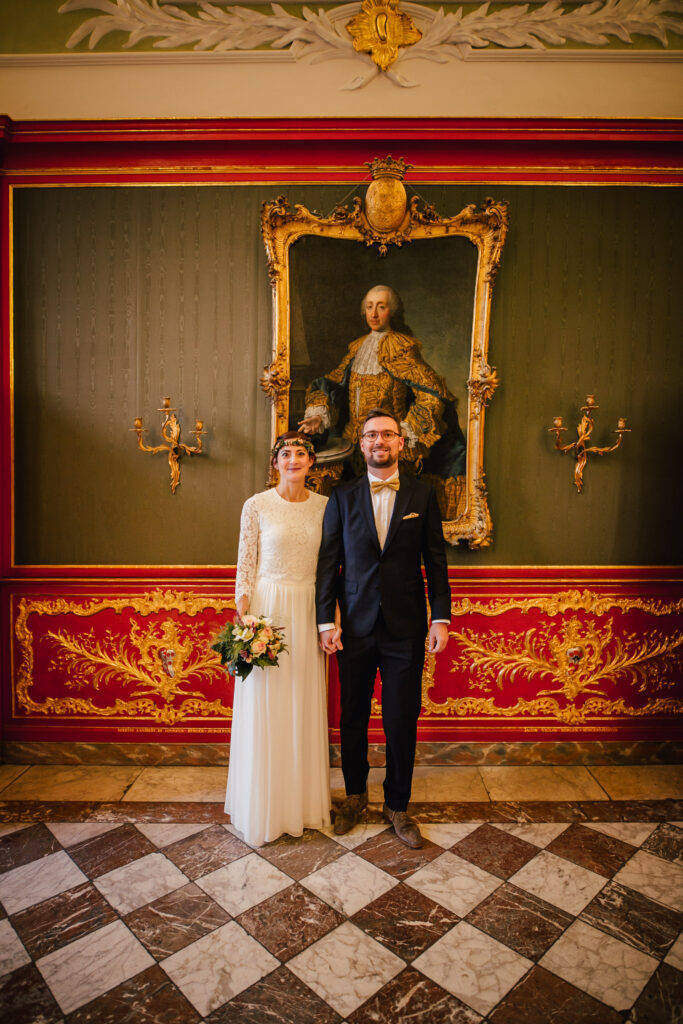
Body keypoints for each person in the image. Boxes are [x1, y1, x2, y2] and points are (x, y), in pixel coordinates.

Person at [316, 408, 451, 849]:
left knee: (400, 719)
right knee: (352, 717)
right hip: (352, 628)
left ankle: (397, 805)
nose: (379, 442)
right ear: (362, 443)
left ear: (400, 442)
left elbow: (435, 561)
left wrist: (440, 618)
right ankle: (354, 797)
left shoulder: (423, 494)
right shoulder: (341, 496)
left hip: (406, 627)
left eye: (387, 435)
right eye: (371, 435)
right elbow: (328, 565)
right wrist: (325, 621)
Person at [225, 432, 331, 846]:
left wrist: (330, 619)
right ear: (275, 462)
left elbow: (331, 567)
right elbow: (245, 563)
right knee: (266, 703)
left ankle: (301, 804)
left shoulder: (326, 507)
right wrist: (245, 619)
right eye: (285, 454)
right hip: (267, 608)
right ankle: (262, 804)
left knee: (301, 701)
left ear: (311, 462)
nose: (293, 460)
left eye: (301, 454)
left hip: (308, 609)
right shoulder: (256, 506)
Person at [299, 285, 466, 489]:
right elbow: (332, 387)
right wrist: (318, 415)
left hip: (389, 451)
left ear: (392, 311)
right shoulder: (358, 349)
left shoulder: (401, 349)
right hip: (353, 449)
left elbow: (431, 396)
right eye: (369, 307)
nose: (374, 314)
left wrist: (405, 430)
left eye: (381, 307)